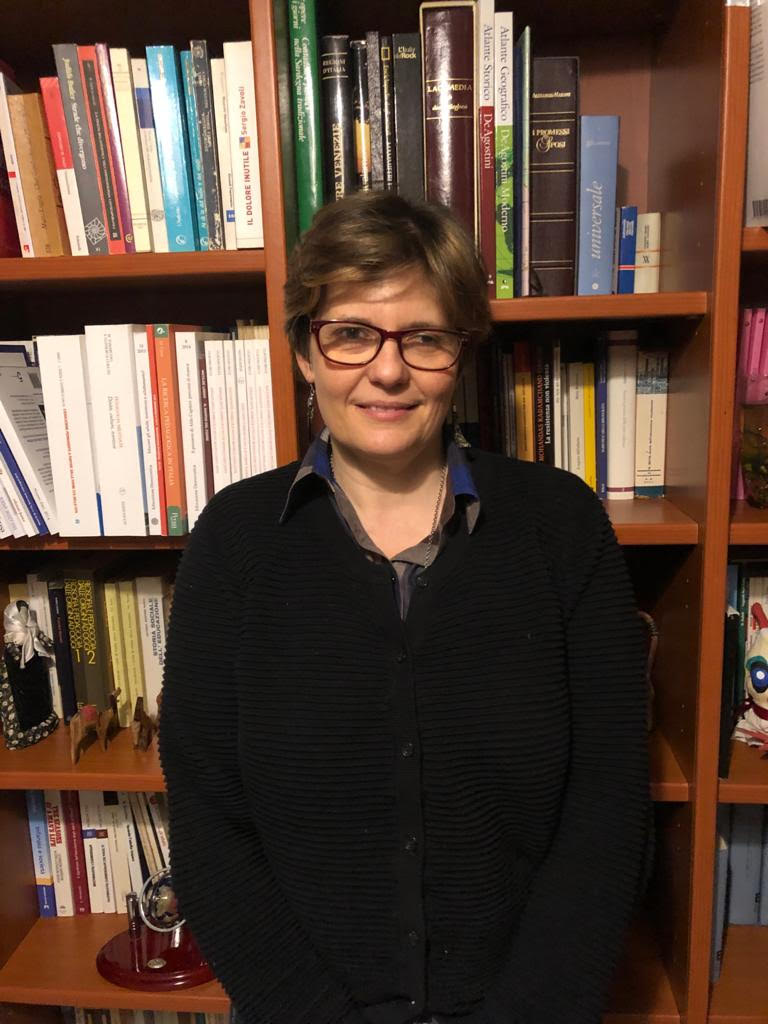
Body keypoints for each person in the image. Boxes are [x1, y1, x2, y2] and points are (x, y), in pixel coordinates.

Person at [159, 191, 652, 1024]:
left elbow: (608, 804)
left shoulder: (561, 524)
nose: (388, 371)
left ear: (460, 354)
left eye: (423, 337)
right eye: (351, 333)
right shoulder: (235, 540)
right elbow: (208, 819)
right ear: (305, 352)